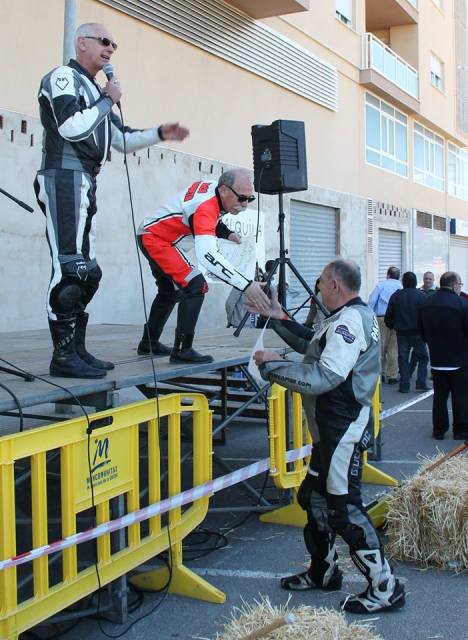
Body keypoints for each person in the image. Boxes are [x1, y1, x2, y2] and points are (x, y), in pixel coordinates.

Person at [34, 22, 189, 379]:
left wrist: (160, 133)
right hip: (64, 175)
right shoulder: (63, 78)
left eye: (114, 45)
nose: (110, 49)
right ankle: (62, 356)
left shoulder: (95, 91)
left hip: (85, 180)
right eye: (104, 42)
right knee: (71, 267)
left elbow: (119, 139)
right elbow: (71, 126)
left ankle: (75, 348)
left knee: (90, 272)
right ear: (82, 42)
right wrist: (108, 99)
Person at [250, 259, 405, 614]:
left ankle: (386, 587)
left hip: (343, 428)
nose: (317, 288)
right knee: (313, 498)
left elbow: (324, 376)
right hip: (332, 428)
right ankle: (323, 572)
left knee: (344, 508)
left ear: (335, 285)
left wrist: (271, 366)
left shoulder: (351, 320)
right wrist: (278, 316)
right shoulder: (349, 315)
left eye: (320, 282)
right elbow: (314, 343)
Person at [136, 169, 271, 363]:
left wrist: (227, 233)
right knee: (196, 285)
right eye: (241, 198)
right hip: (156, 239)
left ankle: (149, 343)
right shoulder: (204, 207)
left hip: (153, 234)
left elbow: (209, 218)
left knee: (169, 292)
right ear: (224, 190)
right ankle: (182, 350)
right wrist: (247, 285)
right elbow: (207, 255)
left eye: (250, 199)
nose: (245, 205)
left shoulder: (215, 191)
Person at [419, 272, 468, 440]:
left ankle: (439, 429)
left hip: (437, 359)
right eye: (460, 285)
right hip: (459, 359)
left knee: (439, 397)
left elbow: (422, 331)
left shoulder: (426, 303)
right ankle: (460, 430)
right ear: (454, 285)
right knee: (460, 396)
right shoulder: (462, 304)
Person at [384, 272, 429, 393]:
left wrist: (391, 325)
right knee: (423, 357)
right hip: (418, 333)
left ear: (403, 282)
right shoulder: (422, 296)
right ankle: (420, 382)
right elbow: (426, 316)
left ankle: (404, 385)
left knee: (402, 358)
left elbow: (389, 315)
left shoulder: (396, 296)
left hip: (401, 333)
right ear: (415, 282)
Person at [368, 267, 402, 384]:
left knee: (380, 346)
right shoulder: (401, 287)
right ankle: (392, 375)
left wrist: (369, 316)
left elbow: (372, 301)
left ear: (388, 275)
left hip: (381, 318)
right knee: (394, 348)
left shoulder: (381, 286)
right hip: (397, 320)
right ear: (398, 276)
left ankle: (380, 373)